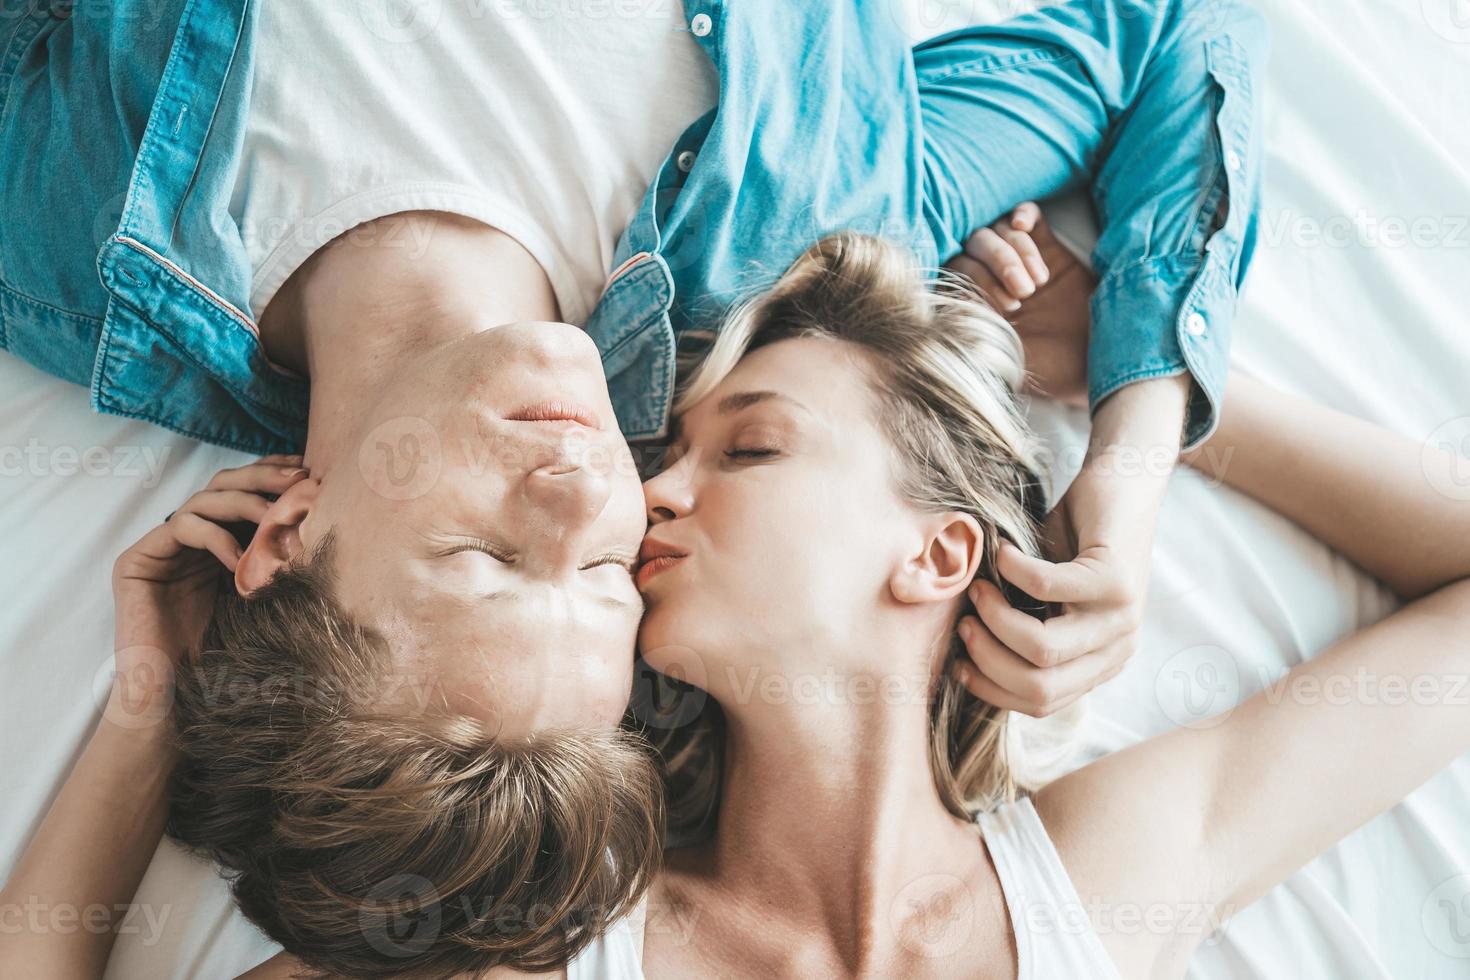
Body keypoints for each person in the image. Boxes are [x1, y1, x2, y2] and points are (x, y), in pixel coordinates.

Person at [0, 0, 1268, 974]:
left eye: (497, 560)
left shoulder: (68, 229)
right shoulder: (807, 238)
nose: (579, 492)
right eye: (607, 571)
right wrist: (1130, 459)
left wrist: (150, 701)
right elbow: (1157, 30)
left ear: (282, 536)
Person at [629, 230, 1470, 978]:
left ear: (936, 555)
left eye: (750, 448)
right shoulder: (567, 933)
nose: (654, 491)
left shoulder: (1105, 878)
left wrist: (1135, 388)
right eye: (667, 455)